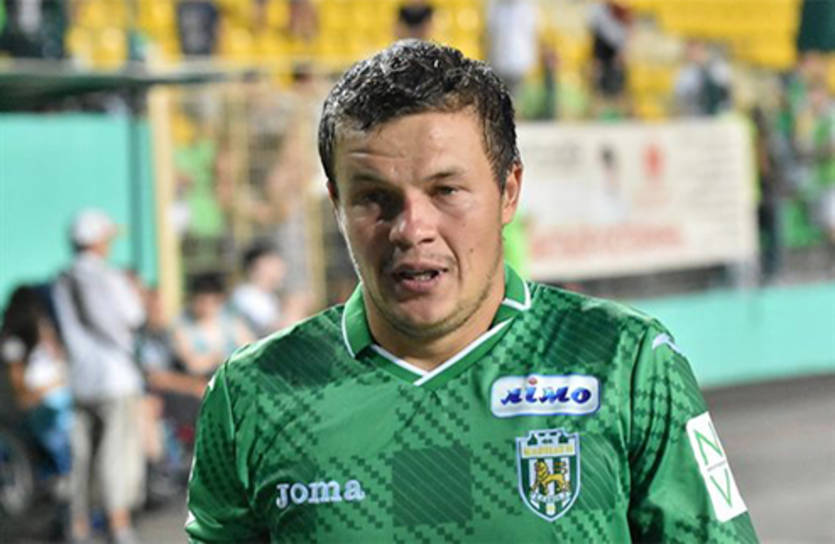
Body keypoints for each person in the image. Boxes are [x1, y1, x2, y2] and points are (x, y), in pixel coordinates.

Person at [186, 40, 759, 542]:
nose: (412, 228)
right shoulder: (252, 395)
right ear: (337, 205)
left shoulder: (625, 362)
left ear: (509, 191)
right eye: (374, 198)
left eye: (446, 191)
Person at [52, 208, 146, 544]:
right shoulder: (105, 277)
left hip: (81, 379)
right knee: (115, 454)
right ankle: (118, 523)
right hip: (115, 378)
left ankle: (79, 524)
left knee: (83, 456)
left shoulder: (62, 280)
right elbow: (132, 317)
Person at [171, 272, 253, 379]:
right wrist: (219, 359)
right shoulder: (182, 325)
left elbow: (251, 351)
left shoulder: (231, 321)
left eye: (213, 302)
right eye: (202, 301)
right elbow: (193, 365)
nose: (207, 307)